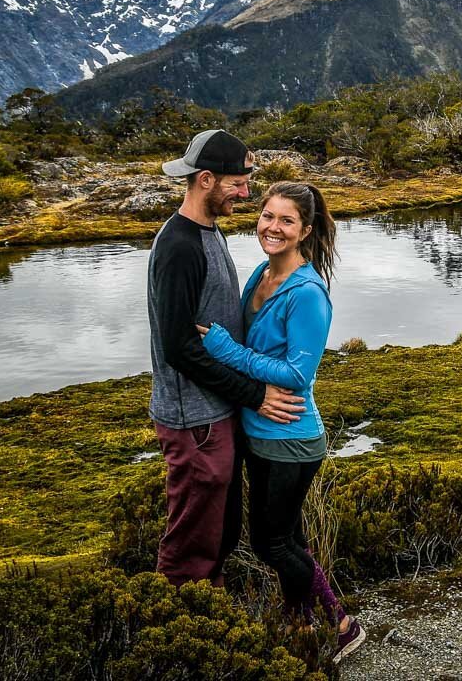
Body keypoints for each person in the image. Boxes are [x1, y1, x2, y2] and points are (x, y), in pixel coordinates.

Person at [195, 180, 366, 664]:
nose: (273, 227)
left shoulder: (308, 293)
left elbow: (298, 372)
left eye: (286, 220)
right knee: (286, 538)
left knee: (272, 545)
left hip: (291, 438)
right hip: (258, 430)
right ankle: (300, 621)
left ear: (305, 230)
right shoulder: (259, 275)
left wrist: (226, 350)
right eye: (268, 215)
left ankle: (341, 624)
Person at [148, 129, 305, 587]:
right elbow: (178, 348)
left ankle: (210, 625)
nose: (246, 192)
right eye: (237, 183)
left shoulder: (207, 231)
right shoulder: (179, 247)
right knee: (193, 542)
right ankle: (179, 633)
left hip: (215, 412)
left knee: (218, 532)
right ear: (205, 180)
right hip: (193, 420)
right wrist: (254, 394)